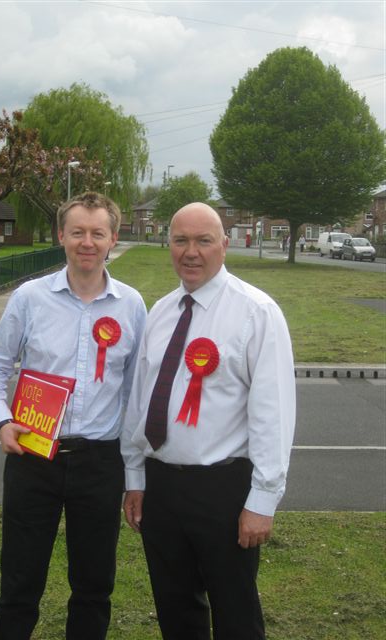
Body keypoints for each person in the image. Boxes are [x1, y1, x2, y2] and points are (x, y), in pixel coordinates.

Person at [0, 191, 147, 640]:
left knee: (93, 587)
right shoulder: (29, 298)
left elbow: (136, 393)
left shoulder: (132, 306)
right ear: (61, 236)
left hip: (99, 463)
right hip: (33, 457)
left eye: (97, 233)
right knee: (19, 583)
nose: (86, 242)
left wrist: (135, 475)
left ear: (112, 239)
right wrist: (0, 418)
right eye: (77, 232)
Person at [121, 202, 296, 640]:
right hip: (162, 488)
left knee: (235, 613)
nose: (191, 252)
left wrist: (263, 500)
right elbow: (140, 400)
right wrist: (135, 477)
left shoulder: (257, 312)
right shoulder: (160, 311)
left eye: (203, 241)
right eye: (180, 240)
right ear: (169, 245)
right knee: (175, 611)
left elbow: (274, 413)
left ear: (224, 245)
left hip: (224, 491)